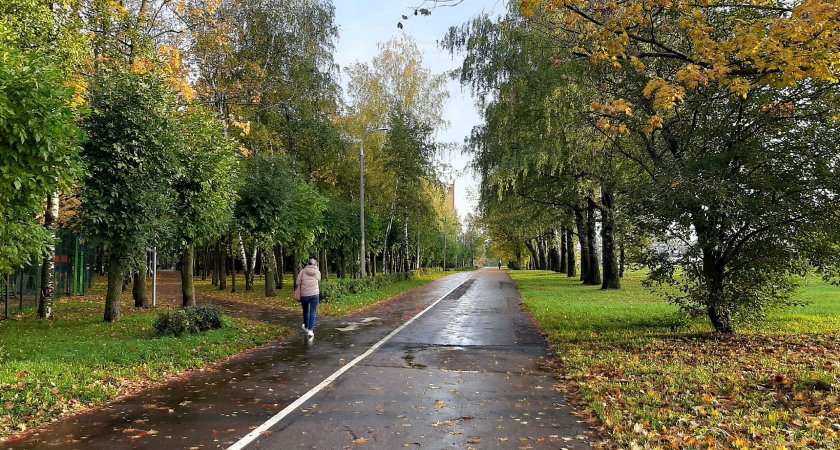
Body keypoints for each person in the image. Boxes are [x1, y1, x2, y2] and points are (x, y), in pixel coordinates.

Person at [296, 258, 322, 338]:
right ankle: (310, 330)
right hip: (315, 294)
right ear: (315, 264)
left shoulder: (302, 271)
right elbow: (319, 280)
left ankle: (306, 327)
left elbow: (297, 282)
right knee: (313, 311)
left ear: (308, 263)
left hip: (304, 295)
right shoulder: (317, 272)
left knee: (305, 310)